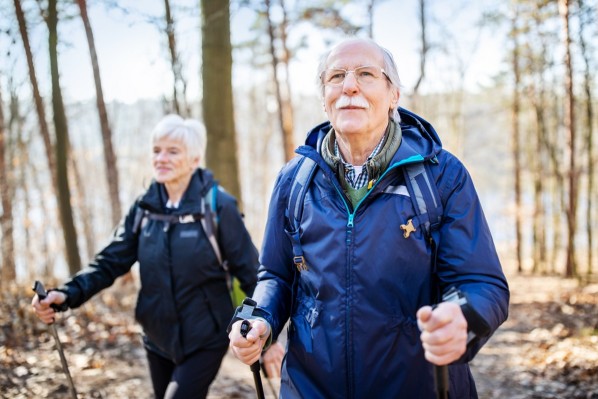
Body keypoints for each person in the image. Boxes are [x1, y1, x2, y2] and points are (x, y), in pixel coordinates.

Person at [228, 38, 509, 398]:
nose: (349, 86)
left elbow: (482, 283)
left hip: (418, 386)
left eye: (365, 74)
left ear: (394, 95)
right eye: (337, 76)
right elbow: (276, 276)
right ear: (324, 96)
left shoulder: (442, 177)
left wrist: (463, 318)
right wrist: (260, 318)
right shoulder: (294, 180)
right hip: (310, 387)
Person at [32, 114, 260, 399]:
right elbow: (109, 262)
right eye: (156, 150)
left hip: (206, 338)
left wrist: (265, 331)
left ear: (194, 160)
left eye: (172, 151)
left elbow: (253, 273)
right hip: (157, 338)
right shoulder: (144, 209)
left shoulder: (217, 207)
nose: (161, 158)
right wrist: (66, 294)